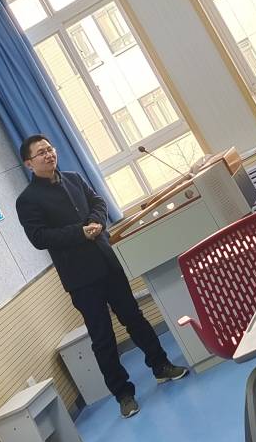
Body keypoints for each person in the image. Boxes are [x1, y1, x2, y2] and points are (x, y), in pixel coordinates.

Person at [15, 134, 187, 418]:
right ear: (29, 163)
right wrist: (79, 233)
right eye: (41, 153)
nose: (49, 155)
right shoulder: (28, 200)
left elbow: (98, 202)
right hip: (80, 278)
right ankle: (123, 394)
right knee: (103, 337)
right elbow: (39, 237)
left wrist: (96, 221)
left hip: (108, 263)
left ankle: (161, 366)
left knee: (135, 318)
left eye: (50, 149)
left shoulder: (73, 178)